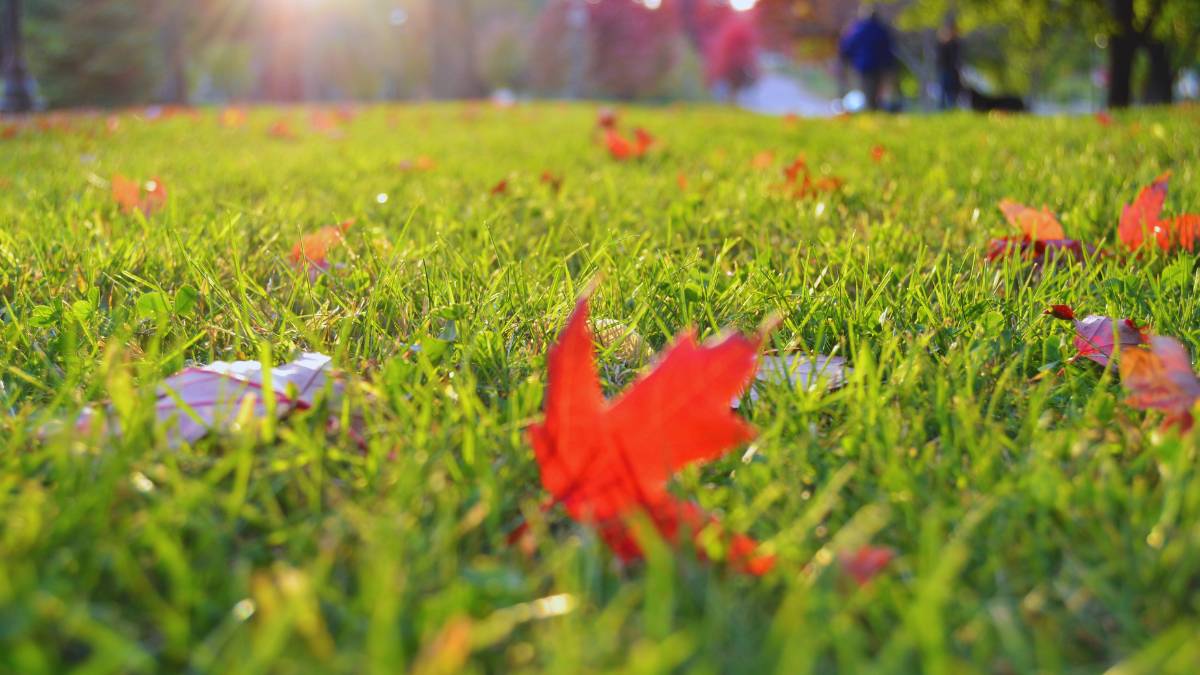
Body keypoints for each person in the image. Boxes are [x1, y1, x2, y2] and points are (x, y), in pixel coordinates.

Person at [838, 5, 896, 111]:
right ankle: (873, 108)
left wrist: (846, 58)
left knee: (866, 88)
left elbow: (848, 45)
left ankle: (870, 109)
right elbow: (888, 48)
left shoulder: (858, 29)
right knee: (876, 89)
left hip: (862, 64)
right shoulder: (881, 29)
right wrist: (889, 64)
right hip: (878, 65)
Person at [936, 13, 963, 109]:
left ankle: (952, 108)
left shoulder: (956, 43)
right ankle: (943, 109)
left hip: (953, 71)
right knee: (944, 91)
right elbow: (941, 58)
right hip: (945, 70)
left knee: (953, 91)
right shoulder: (943, 44)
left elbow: (958, 58)